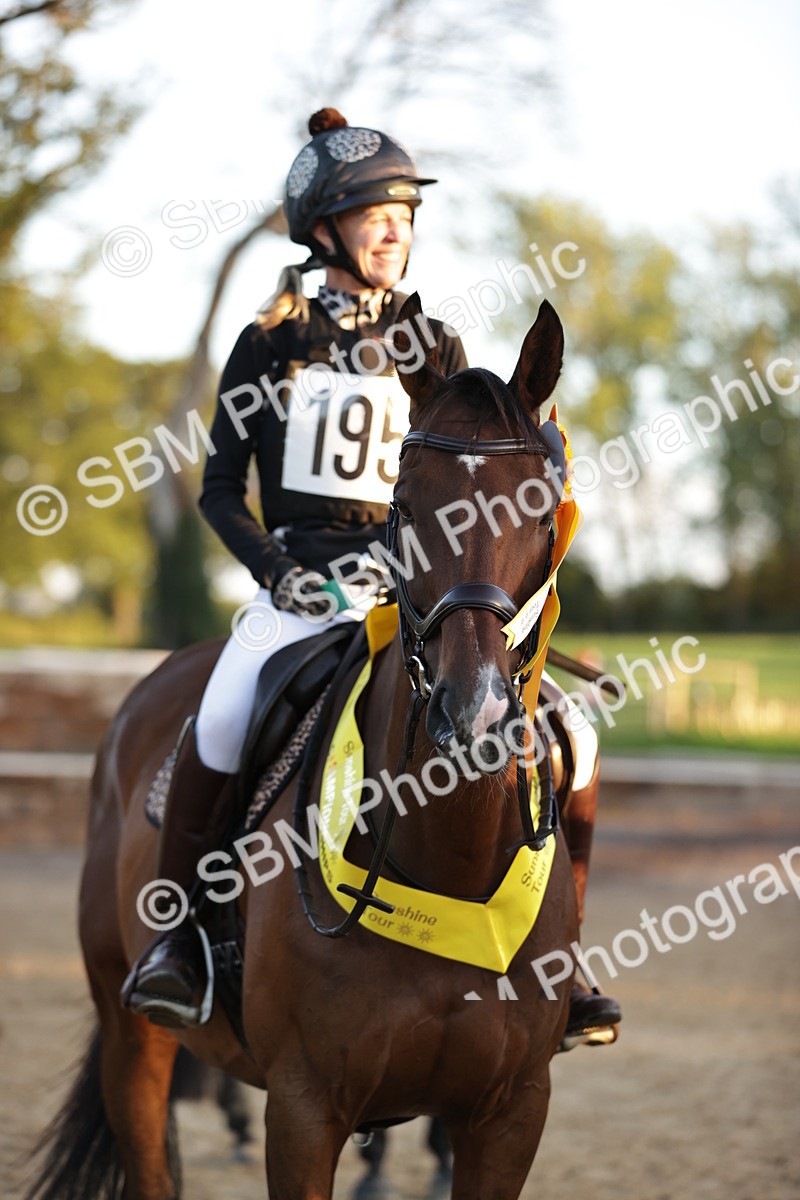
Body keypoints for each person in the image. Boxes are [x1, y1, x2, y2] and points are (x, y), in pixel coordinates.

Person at [125, 108, 620, 1043]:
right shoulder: (272, 344)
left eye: (404, 213)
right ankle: (180, 940)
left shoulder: (435, 346)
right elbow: (221, 491)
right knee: (224, 713)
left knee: (577, 742)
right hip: (301, 588)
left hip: (415, 596)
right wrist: (279, 572)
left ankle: (565, 960)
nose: (395, 228)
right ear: (326, 231)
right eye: (373, 213)